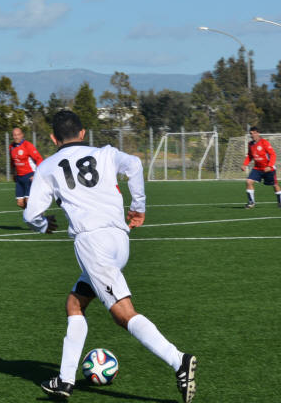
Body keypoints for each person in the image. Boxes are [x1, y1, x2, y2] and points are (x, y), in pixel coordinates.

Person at [23, 110, 196, 402]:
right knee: (75, 303)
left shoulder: (48, 166)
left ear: (53, 138)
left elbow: (31, 214)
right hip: (119, 239)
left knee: (122, 313)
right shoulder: (104, 152)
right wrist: (138, 206)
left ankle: (178, 360)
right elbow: (135, 164)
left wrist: (42, 225)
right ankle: (64, 381)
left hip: (93, 244)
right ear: (82, 133)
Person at [242, 127, 281, 209]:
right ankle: (251, 202)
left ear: (258, 133)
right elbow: (250, 156)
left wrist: (270, 166)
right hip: (257, 168)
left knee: (275, 185)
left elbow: (273, 154)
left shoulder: (264, 142)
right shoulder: (250, 144)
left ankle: (280, 201)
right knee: (248, 181)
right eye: (251, 133)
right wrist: (244, 164)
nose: (252, 135)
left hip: (268, 169)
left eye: (254, 133)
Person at [10, 127, 43, 208]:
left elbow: (39, 159)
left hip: (29, 176)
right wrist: (13, 173)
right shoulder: (11, 147)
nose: (16, 137)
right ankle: (36, 213)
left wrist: (36, 174)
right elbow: (12, 161)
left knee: (29, 201)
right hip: (19, 178)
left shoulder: (28, 145)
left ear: (22, 135)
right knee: (20, 203)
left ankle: (39, 213)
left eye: (18, 135)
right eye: (14, 135)